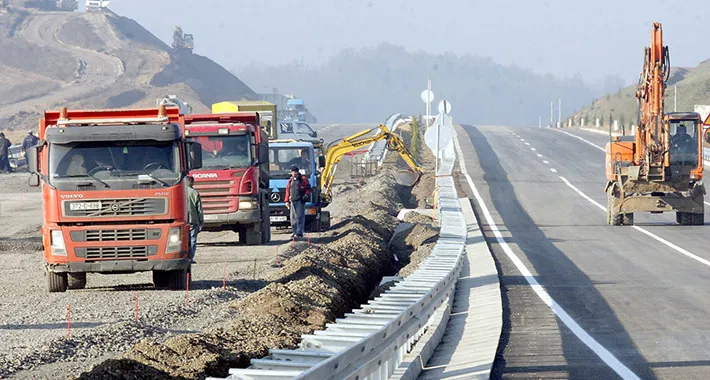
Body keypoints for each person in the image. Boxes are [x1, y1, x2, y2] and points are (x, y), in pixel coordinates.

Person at [284, 165, 311, 239]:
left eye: (295, 172)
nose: (294, 173)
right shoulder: (290, 180)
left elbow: (308, 189)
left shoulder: (303, 179)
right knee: (293, 217)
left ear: (297, 172)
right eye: (292, 172)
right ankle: (294, 231)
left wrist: (306, 195)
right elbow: (287, 191)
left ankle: (299, 232)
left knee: (300, 217)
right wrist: (286, 201)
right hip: (292, 201)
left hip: (300, 201)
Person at [186, 175, 204, 263]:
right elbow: (199, 209)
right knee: (193, 239)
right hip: (193, 219)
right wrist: (201, 221)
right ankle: (190, 257)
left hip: (182, 220)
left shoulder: (179, 192)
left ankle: (184, 257)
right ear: (192, 182)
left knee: (184, 239)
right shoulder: (195, 193)